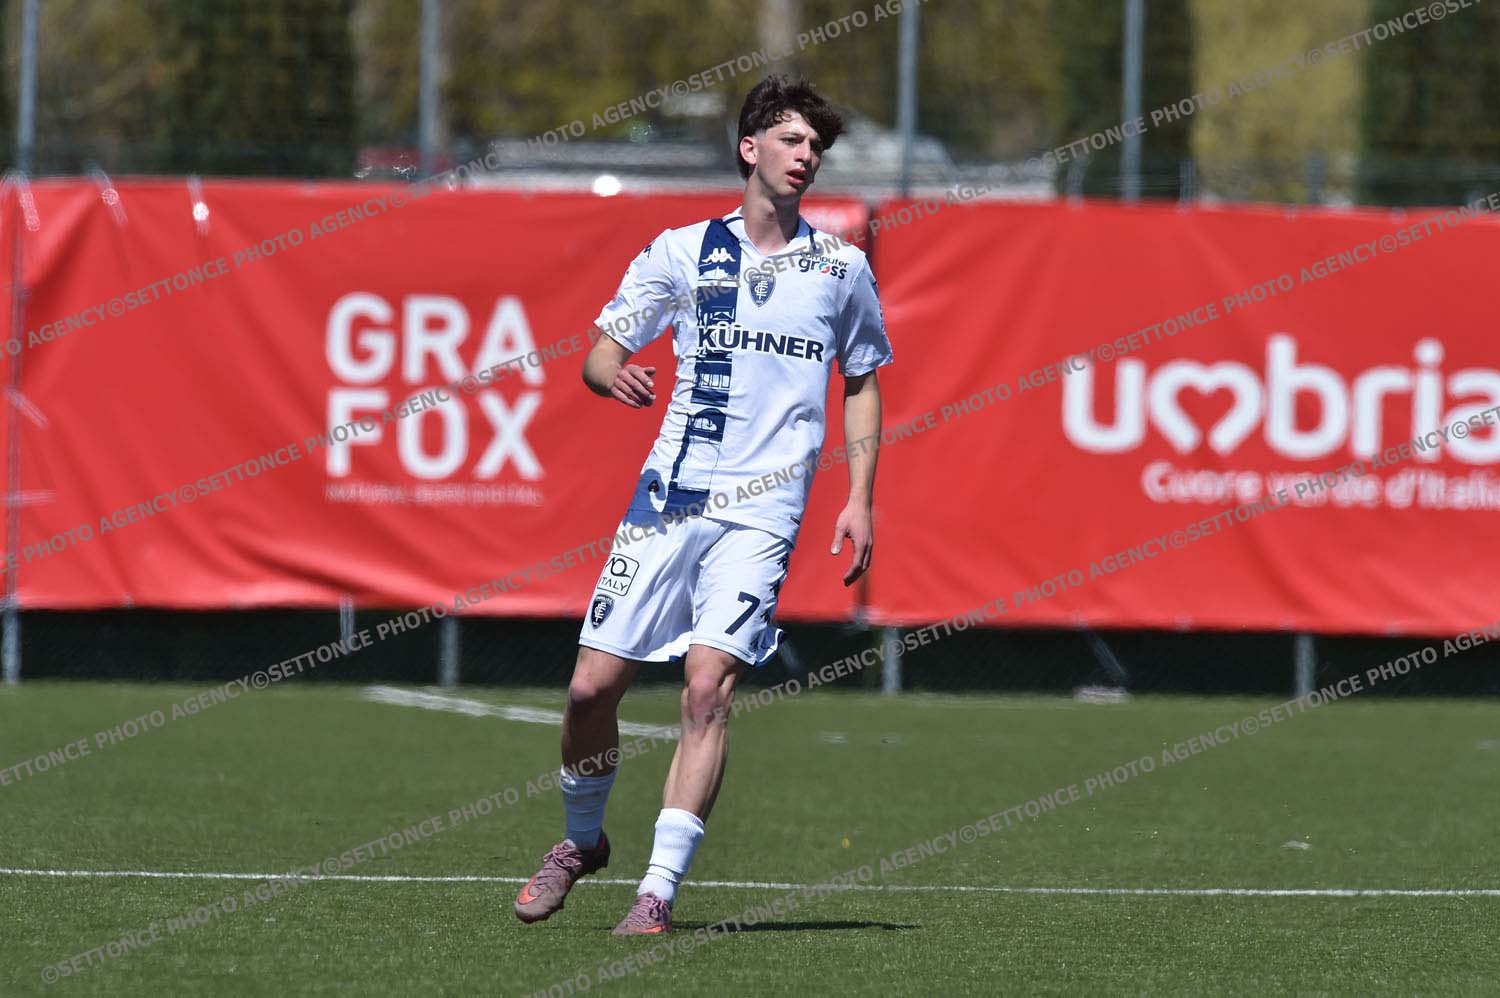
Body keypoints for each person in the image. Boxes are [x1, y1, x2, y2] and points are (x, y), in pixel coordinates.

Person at [514, 74, 893, 936]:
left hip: (763, 514)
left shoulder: (841, 268)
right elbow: (600, 353)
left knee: (705, 693)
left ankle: (657, 891)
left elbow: (863, 379)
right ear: (749, 148)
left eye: (816, 147)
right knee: (588, 690)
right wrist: (613, 375)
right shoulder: (681, 252)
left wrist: (860, 498)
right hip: (669, 500)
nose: (807, 156)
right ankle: (582, 843)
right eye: (791, 140)